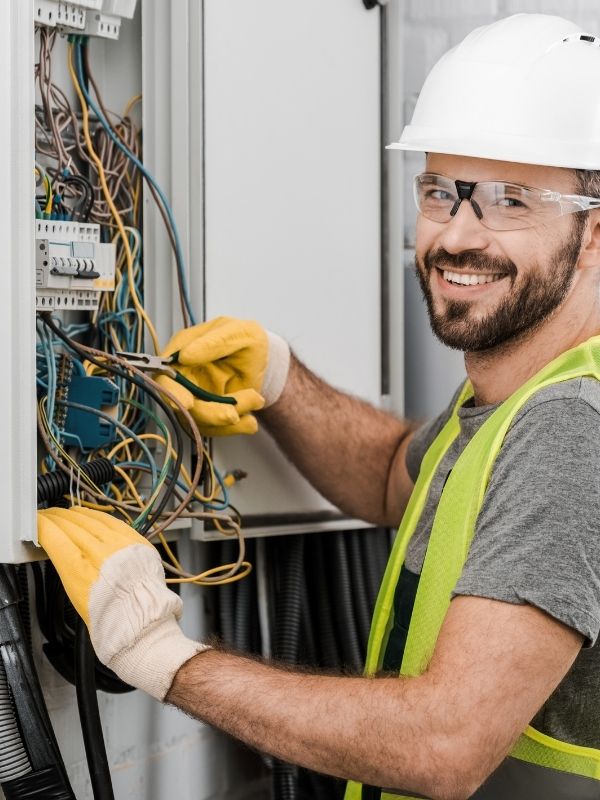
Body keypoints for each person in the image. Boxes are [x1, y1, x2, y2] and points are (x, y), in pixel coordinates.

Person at [37, 13, 600, 800]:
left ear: (595, 234)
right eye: (442, 192)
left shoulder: (570, 430)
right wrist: (278, 379)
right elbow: (386, 478)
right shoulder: (507, 405)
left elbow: (444, 744)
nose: (458, 236)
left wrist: (163, 657)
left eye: (510, 202)